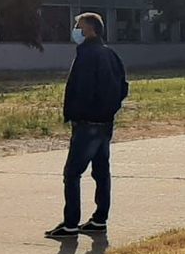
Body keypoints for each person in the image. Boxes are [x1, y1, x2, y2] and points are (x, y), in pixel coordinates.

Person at [46, 12, 129, 239]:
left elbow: (81, 89)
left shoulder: (87, 55)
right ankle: (99, 219)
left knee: (72, 173)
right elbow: (123, 86)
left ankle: (71, 223)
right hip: (105, 123)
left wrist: (78, 113)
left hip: (87, 123)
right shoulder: (110, 54)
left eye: (78, 26)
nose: (75, 29)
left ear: (90, 29)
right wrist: (109, 109)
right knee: (101, 171)